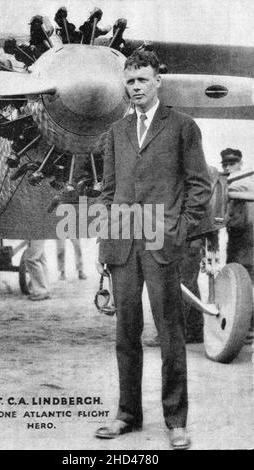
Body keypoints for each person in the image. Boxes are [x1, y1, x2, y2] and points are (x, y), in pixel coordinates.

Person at [95, 50, 211, 449]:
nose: (136, 88)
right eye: (130, 81)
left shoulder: (183, 127)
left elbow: (200, 187)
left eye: (143, 79)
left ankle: (176, 420)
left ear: (158, 81)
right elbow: (108, 191)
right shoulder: (115, 132)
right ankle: (127, 413)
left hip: (163, 246)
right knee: (125, 333)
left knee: (170, 333)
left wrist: (180, 231)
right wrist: (105, 240)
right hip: (123, 248)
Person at [220, 148, 254, 280]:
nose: (228, 168)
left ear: (241, 163)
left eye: (232, 164)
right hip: (237, 242)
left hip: (246, 243)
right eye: (225, 164)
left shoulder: (243, 182)